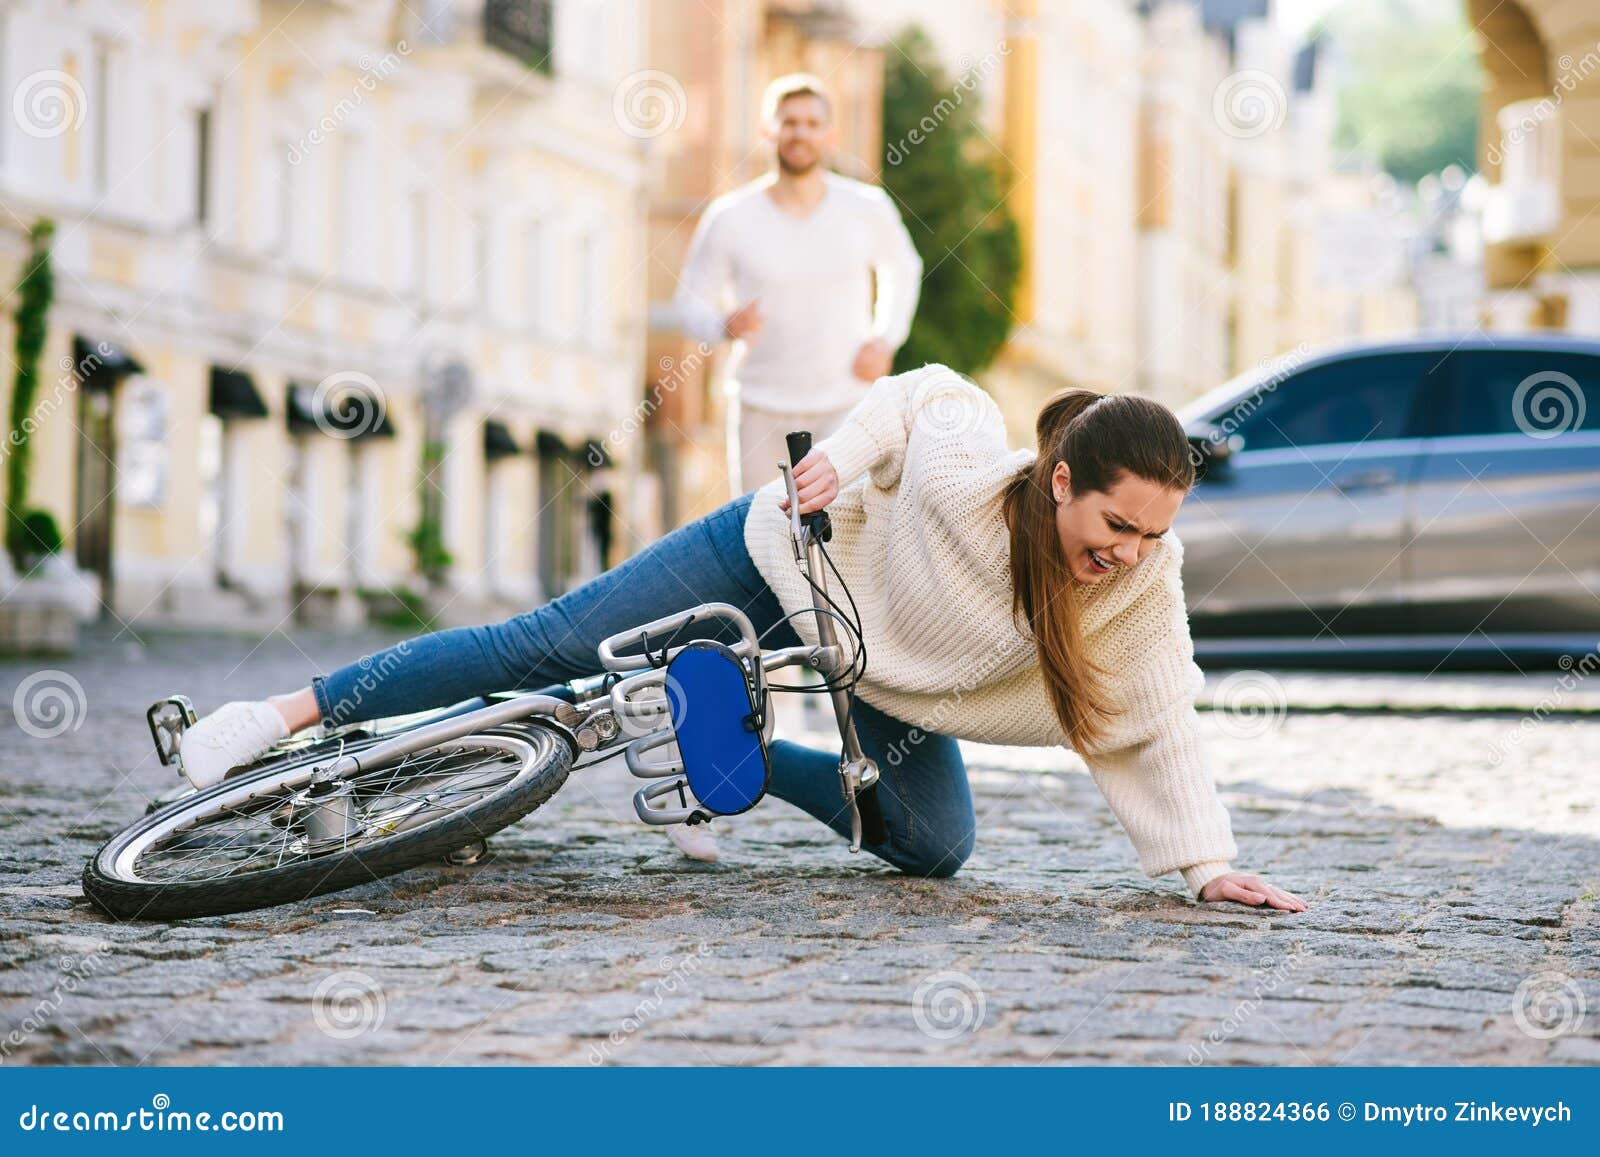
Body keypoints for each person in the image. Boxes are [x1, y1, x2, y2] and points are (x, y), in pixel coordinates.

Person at [178, 366, 1307, 912]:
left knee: (932, 842)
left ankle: (722, 747)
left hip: (877, 664)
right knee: (551, 643)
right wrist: (845, 454)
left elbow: (1155, 718)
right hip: (782, 557)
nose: (1128, 550)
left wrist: (1204, 865)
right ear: (1061, 481)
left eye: (1154, 533)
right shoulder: (975, 470)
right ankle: (280, 712)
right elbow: (925, 392)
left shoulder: (1138, 583)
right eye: (1114, 523)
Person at [673, 72, 922, 498]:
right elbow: (689, 303)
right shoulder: (731, 216)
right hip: (758, 405)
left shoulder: (865, 208)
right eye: (788, 122)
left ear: (830, 134)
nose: (799, 133)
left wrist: (885, 340)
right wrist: (722, 325)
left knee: (841, 535)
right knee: (758, 534)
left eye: (811, 123)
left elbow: (905, 269)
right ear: (767, 131)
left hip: (844, 406)